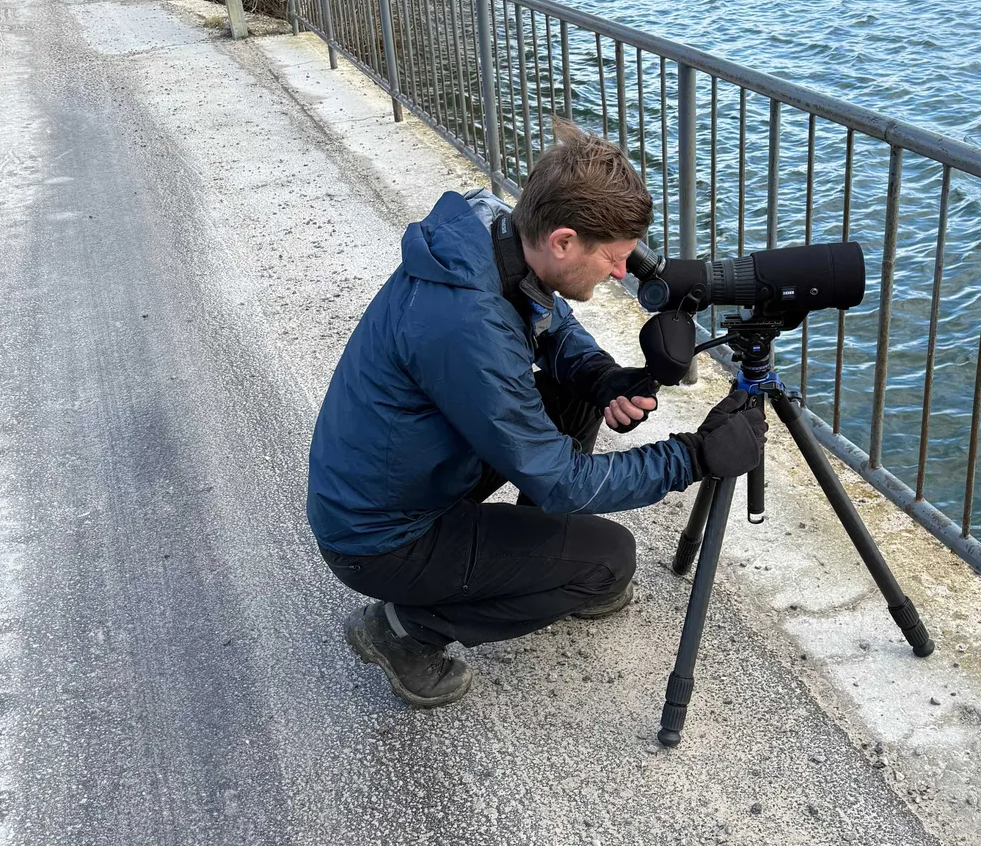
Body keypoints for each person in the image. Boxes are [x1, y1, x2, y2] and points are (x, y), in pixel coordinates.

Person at [307, 121, 767, 707]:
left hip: (405, 469)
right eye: (614, 258)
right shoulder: (468, 326)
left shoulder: (494, 229)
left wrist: (602, 378)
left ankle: (535, 550)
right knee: (607, 564)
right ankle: (401, 631)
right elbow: (562, 480)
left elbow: (549, 321)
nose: (623, 273)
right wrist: (694, 457)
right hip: (380, 536)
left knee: (575, 387)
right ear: (564, 241)